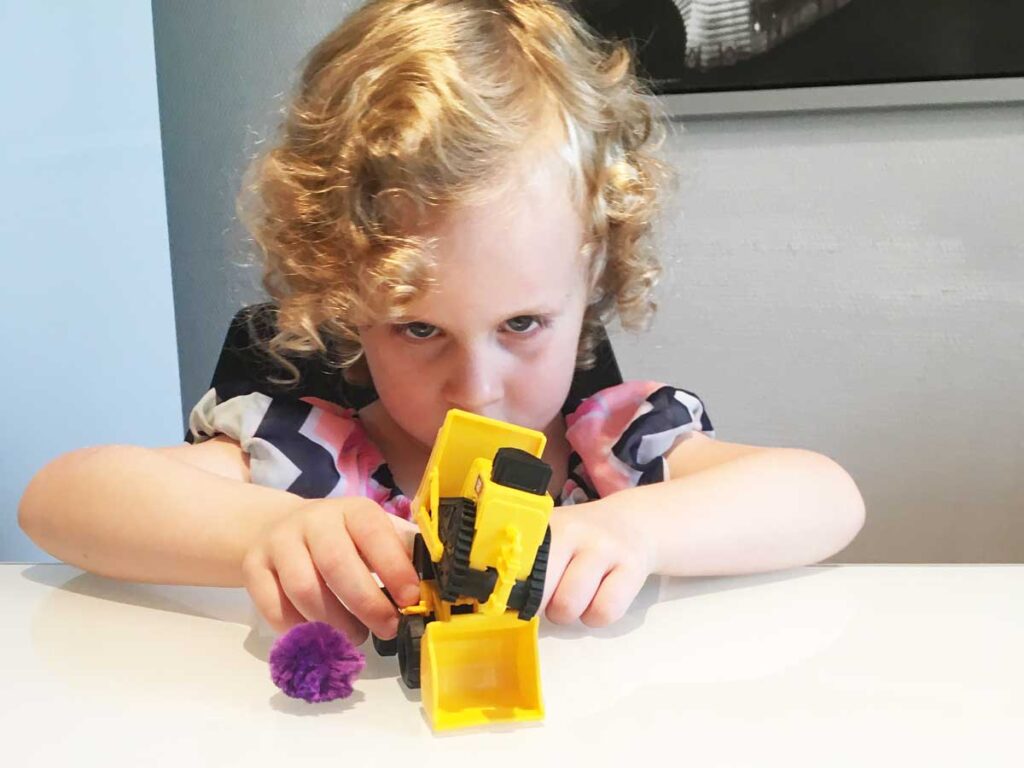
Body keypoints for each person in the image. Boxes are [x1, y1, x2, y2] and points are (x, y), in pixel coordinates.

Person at [18, 0, 864, 646]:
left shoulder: (616, 451)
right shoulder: (309, 459)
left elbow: (828, 498)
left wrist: (630, 530)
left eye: (524, 323)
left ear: (593, 275)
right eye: (419, 330)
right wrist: (274, 530)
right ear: (345, 299)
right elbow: (58, 501)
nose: (478, 386)